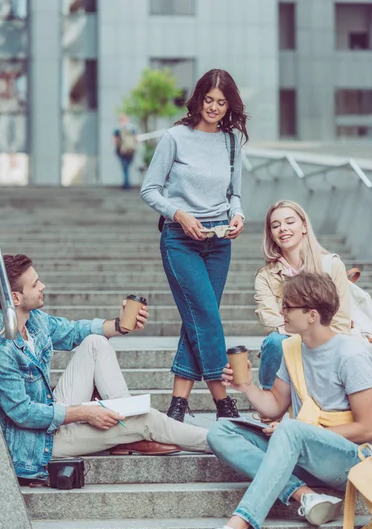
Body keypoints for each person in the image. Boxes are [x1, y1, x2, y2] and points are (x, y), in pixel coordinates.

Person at [0, 254, 209, 484]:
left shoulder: (34, 320)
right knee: (147, 420)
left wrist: (119, 325)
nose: (43, 286)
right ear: (16, 298)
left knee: (95, 342)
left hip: (53, 412)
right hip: (38, 443)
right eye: (35, 284)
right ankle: (215, 441)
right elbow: (23, 414)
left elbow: (73, 331)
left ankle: (124, 422)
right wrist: (84, 413)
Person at [193, 272, 372, 529]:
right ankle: (305, 495)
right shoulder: (293, 348)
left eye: (288, 306)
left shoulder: (352, 354)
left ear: (312, 314)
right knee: (220, 431)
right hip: (304, 450)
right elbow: (275, 405)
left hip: (350, 461)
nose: (282, 312)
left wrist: (304, 430)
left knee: (290, 429)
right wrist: (247, 386)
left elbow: (367, 428)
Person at [140, 69, 248, 422]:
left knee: (199, 319)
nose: (214, 108)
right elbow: (150, 189)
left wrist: (238, 216)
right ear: (198, 99)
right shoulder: (175, 138)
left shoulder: (232, 141)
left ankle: (178, 405)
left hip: (219, 242)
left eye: (221, 102)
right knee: (205, 315)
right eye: (209, 100)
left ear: (229, 105)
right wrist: (181, 215)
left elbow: (234, 194)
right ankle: (223, 402)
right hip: (180, 239)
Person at [255, 200, 351, 391]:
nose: (283, 229)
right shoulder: (265, 275)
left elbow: (341, 321)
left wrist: (309, 335)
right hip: (289, 341)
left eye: (290, 222)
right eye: (276, 225)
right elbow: (268, 318)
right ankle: (270, 405)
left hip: (327, 342)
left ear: (304, 226)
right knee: (275, 342)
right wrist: (303, 332)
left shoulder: (331, 265)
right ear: (272, 234)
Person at [113, 114, 137, 189]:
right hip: (131, 150)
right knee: (127, 168)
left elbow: (115, 140)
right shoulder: (132, 128)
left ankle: (126, 184)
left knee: (125, 168)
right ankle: (126, 183)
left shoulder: (117, 129)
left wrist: (118, 148)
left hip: (121, 151)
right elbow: (136, 139)